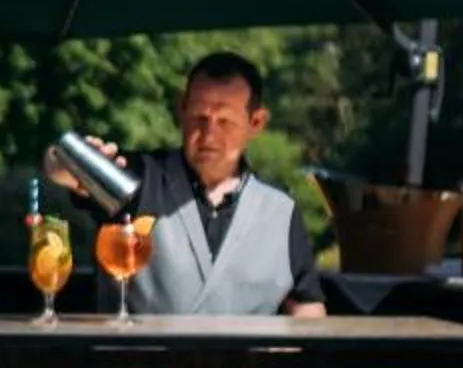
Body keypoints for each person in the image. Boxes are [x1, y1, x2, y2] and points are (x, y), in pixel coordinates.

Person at [45, 51, 328, 318]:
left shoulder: (281, 212)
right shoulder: (137, 180)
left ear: (256, 122)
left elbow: (307, 310)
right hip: (136, 367)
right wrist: (69, 158)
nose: (208, 134)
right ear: (182, 110)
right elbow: (60, 168)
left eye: (225, 121)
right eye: (199, 118)